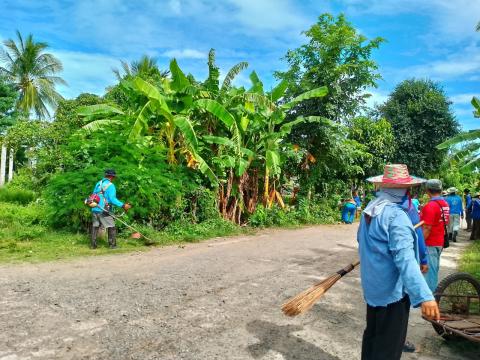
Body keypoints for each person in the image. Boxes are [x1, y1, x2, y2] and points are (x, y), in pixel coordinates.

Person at [359, 164, 439, 360]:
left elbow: (361, 241)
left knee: (373, 337)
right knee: (387, 348)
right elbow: (406, 261)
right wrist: (425, 296)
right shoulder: (397, 217)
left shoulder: (370, 210)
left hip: (373, 289)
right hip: (392, 295)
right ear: (406, 189)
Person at [421, 179, 450, 293]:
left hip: (430, 244)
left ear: (428, 191)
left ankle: (431, 300)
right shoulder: (445, 204)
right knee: (434, 270)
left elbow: (427, 228)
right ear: (440, 189)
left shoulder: (430, 206)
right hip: (439, 242)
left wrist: (420, 244)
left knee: (429, 274)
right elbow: (445, 223)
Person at [90, 169, 131, 249]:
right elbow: (112, 199)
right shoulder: (110, 185)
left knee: (95, 226)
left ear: (106, 175)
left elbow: (93, 195)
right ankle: (112, 245)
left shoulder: (98, 183)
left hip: (95, 208)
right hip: (104, 210)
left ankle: (93, 245)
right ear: (112, 177)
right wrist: (123, 205)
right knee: (111, 226)